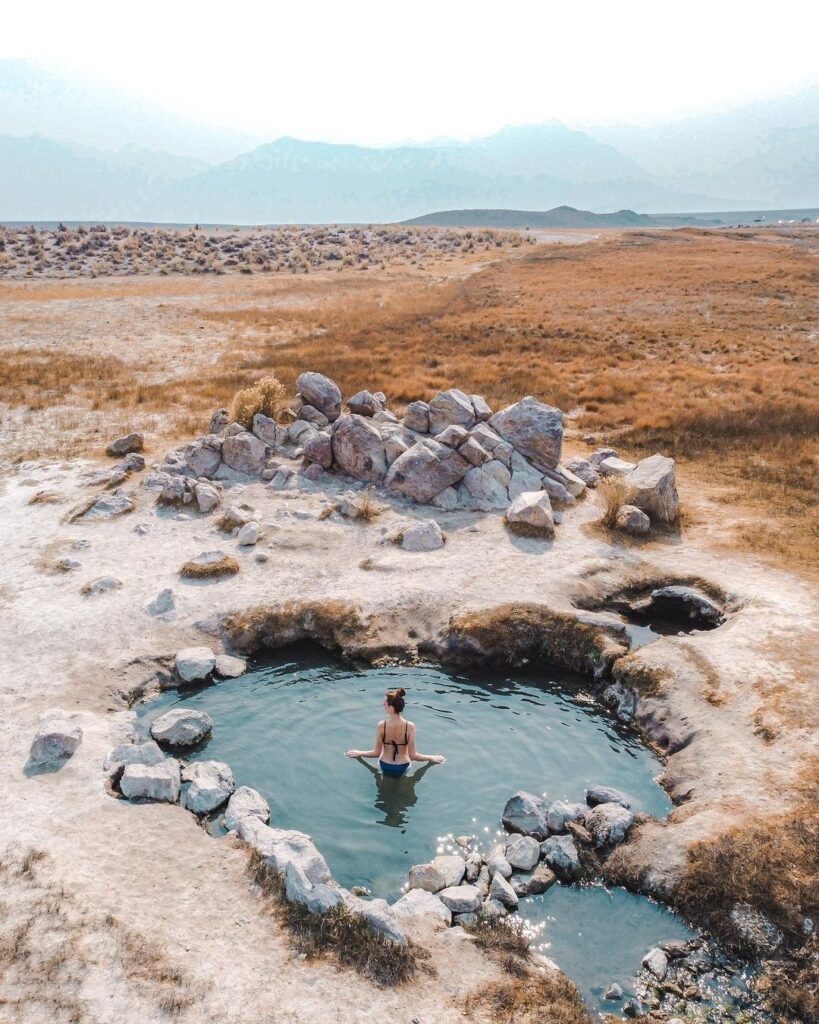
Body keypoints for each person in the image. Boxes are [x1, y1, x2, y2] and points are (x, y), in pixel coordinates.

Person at [345, 687, 446, 776]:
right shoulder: (409, 726)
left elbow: (376, 753)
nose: (382, 705)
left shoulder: (381, 725)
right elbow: (413, 755)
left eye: (384, 704)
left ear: (390, 708)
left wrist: (359, 753)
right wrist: (431, 758)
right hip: (403, 766)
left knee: (383, 790)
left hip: (385, 765)